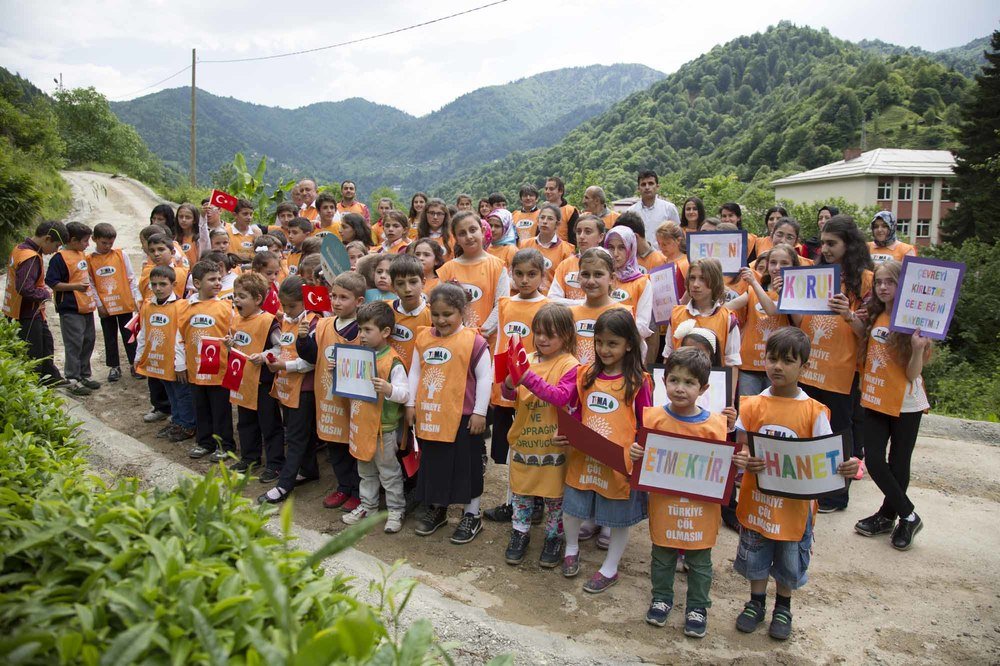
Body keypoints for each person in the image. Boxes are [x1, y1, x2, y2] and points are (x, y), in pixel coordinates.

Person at [733, 327, 858, 641]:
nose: (778, 366)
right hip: (758, 501)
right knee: (756, 553)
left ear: (804, 366)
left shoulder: (814, 412)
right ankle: (756, 603)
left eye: (788, 361)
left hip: (795, 508)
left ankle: (783, 607)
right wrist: (745, 459)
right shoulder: (751, 405)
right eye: (772, 358)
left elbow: (827, 460)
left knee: (789, 558)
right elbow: (741, 446)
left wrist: (846, 468)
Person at [549, 308, 651, 592]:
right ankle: (571, 549)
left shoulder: (639, 381)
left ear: (629, 344)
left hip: (620, 462)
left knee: (618, 517)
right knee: (572, 509)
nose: (604, 349)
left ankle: (610, 567)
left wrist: (640, 449)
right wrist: (565, 433)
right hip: (583, 457)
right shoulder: (585, 374)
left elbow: (646, 422)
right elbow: (574, 410)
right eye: (599, 342)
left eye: (612, 343)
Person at [631, 347, 728, 638]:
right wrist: (636, 453)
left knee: (700, 561)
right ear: (664, 382)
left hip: (701, 511)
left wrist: (734, 461)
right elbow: (642, 457)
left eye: (689, 382)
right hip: (665, 506)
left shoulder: (715, 426)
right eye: (674, 380)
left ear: (704, 388)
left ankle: (697, 606)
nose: (680, 388)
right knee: (662, 555)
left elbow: (722, 467)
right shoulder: (653, 419)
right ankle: (661, 598)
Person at [791, 215, 872, 512]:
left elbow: (869, 333)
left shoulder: (866, 280)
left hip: (841, 369)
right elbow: (799, 320)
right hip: (810, 365)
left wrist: (847, 314)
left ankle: (836, 495)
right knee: (807, 426)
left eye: (832, 243)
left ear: (849, 245)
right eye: (823, 243)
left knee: (838, 431)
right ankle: (807, 486)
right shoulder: (814, 273)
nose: (824, 249)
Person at [406, 283, 491, 544]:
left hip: (464, 419)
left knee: (468, 468)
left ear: (462, 311)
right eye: (436, 314)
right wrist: (410, 404)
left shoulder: (475, 341)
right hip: (432, 415)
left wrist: (479, 412)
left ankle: (471, 515)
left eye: (448, 314)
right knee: (435, 466)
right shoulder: (423, 338)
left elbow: (485, 378)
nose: (441, 320)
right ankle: (438, 508)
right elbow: (415, 372)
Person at [855, 260, 930, 550]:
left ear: (903, 285)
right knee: (874, 459)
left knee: (899, 463)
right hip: (875, 397)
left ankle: (889, 516)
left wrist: (918, 349)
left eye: (890, 282)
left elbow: (912, 374)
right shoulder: (874, 313)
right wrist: (850, 317)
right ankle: (909, 515)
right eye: (879, 282)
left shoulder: (913, 320)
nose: (883, 287)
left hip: (906, 402)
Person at [500, 303, 579, 567]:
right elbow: (509, 395)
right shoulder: (527, 359)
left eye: (550, 334)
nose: (542, 339)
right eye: (538, 333)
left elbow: (561, 396)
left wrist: (525, 377)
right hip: (525, 438)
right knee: (521, 490)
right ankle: (520, 532)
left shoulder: (570, 365)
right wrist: (509, 383)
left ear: (566, 335)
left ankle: (554, 536)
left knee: (555, 495)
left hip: (554, 445)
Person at [484, 249, 550, 522]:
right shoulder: (505, 304)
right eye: (519, 274)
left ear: (542, 275)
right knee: (511, 447)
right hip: (506, 387)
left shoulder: (547, 306)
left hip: (534, 388)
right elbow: (501, 343)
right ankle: (513, 502)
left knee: (533, 445)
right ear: (511, 273)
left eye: (532, 274)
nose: (524, 280)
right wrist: (495, 383)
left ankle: (536, 503)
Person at [341, 301, 409, 534]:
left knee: (389, 473)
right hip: (361, 425)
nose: (361, 335)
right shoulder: (358, 355)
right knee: (365, 472)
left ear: (386, 331)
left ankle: (396, 510)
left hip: (384, 429)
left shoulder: (393, 361)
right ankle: (368, 507)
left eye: (367, 330)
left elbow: (404, 394)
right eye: (360, 329)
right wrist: (338, 370)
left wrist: (389, 389)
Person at [304, 271, 366, 511]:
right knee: (334, 444)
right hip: (328, 397)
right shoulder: (323, 324)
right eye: (333, 296)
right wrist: (302, 341)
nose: (336, 302)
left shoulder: (363, 328)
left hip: (353, 401)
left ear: (359, 301)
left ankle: (358, 491)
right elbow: (312, 356)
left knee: (355, 447)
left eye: (343, 297)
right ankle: (343, 486)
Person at [258, 276, 320, 504]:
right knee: (302, 433)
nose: (286, 310)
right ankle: (309, 469)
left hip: (304, 389)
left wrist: (285, 365)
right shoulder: (285, 320)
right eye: (283, 305)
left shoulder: (313, 322)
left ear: (305, 301)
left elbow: (313, 361)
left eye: (292, 306)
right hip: (286, 387)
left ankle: (284, 484)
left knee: (295, 438)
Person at [225, 272, 284, 481]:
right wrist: (230, 345)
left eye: (242, 296)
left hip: (262, 383)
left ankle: (275, 463)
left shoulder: (268, 321)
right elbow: (238, 345)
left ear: (258, 299)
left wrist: (265, 356)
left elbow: (280, 347)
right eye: (235, 296)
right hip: (242, 380)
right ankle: (250, 457)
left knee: (269, 424)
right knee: (245, 422)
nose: (236, 300)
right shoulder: (236, 319)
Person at [177, 260, 236, 460]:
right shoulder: (185, 307)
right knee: (200, 407)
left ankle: (225, 445)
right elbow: (179, 336)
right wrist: (180, 364)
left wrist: (232, 343)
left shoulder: (226, 307)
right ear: (197, 283)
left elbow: (233, 333)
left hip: (219, 370)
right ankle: (204, 442)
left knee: (221, 409)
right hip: (195, 368)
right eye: (211, 279)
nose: (217, 283)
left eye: (219, 278)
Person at [133, 265, 195, 442]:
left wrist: (181, 362)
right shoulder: (148, 305)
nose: (158, 288)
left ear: (173, 284)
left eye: (163, 284)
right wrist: (139, 356)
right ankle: (177, 421)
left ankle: (188, 425)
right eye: (154, 284)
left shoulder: (182, 306)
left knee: (182, 393)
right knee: (171, 393)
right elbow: (144, 332)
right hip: (158, 360)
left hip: (176, 361)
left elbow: (183, 335)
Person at [728, 245, 797, 396]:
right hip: (750, 363)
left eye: (784, 263)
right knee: (747, 407)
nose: (777, 267)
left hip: (778, 364)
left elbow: (771, 310)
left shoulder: (796, 293)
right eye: (773, 262)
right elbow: (729, 307)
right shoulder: (754, 290)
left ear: (794, 265)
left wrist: (753, 282)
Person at [45, 221, 99, 396]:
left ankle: (84, 374)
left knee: (88, 340)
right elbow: (52, 282)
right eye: (85, 241)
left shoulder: (81, 254)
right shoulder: (59, 258)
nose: (87, 244)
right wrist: (75, 287)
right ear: (73, 240)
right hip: (70, 308)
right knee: (74, 344)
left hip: (86, 306)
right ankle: (73, 379)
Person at [437, 211, 509, 337]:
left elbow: (502, 305)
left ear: (482, 231)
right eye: (462, 233)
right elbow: (439, 306)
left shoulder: (498, 267)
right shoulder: (447, 269)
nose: (469, 236)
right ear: (456, 239)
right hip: (455, 340)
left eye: (473, 230)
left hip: (487, 342)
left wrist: (480, 334)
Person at [662, 258, 741, 372]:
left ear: (714, 281)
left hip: (714, 380)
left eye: (702, 279)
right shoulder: (676, 314)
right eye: (692, 278)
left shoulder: (728, 318)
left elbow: (732, 363)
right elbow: (668, 356)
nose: (695, 284)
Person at [87, 222, 143, 382]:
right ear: (94, 239)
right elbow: (91, 283)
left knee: (129, 334)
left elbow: (130, 277)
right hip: (106, 306)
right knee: (109, 335)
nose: (107, 246)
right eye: (104, 243)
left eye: (110, 243)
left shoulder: (120, 255)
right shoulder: (89, 259)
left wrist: (134, 298)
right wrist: (99, 305)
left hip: (123, 303)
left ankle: (134, 363)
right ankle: (114, 366)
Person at [570, 247, 628, 366]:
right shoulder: (569, 314)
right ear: (578, 277)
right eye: (585, 274)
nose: (591, 281)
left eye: (598, 274)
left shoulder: (623, 314)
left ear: (612, 278)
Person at [603, 226, 653, 349]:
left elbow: (642, 326)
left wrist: (614, 332)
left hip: (630, 349)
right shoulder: (601, 278)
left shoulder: (642, 282)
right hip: (601, 345)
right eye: (611, 247)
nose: (615, 254)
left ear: (631, 249)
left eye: (621, 248)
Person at [549, 214, 607, 305]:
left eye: (588, 232)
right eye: (578, 232)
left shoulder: (608, 264)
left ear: (600, 237)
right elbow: (552, 298)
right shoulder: (565, 264)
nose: (581, 236)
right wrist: (582, 305)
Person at [387, 254, 432, 371]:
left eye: (413, 282)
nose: (407, 289)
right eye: (400, 283)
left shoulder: (432, 316)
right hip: (388, 376)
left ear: (423, 282)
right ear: (393, 286)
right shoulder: (385, 310)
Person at [519, 203, 575, 294]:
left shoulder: (567, 250)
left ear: (557, 224)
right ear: (537, 221)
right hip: (527, 296)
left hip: (552, 298)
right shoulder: (525, 244)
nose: (545, 221)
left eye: (550, 219)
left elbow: (566, 281)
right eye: (542, 218)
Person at [627, 170, 680, 248]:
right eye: (643, 184)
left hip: (664, 254)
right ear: (638, 188)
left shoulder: (669, 208)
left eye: (651, 183)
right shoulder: (631, 212)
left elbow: (677, 234)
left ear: (657, 187)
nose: (647, 187)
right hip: (639, 254)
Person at [140, 234, 188, 300]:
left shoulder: (184, 274)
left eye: (161, 249)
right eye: (152, 251)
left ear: (173, 252)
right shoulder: (146, 272)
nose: (156, 254)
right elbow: (142, 295)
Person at [543, 177, 579, 244]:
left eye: (551, 189)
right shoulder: (543, 211)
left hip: (564, 249)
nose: (547, 191)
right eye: (546, 189)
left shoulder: (570, 211)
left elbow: (574, 238)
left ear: (560, 191)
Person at [228, 199, 262, 263]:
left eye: (251, 214)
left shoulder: (256, 233)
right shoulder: (226, 232)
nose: (249, 217)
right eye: (245, 214)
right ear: (235, 215)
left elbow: (262, 256)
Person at [175, 203, 201, 268]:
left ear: (194, 220)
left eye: (188, 217)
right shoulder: (176, 239)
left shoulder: (199, 239)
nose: (183, 220)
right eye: (181, 216)